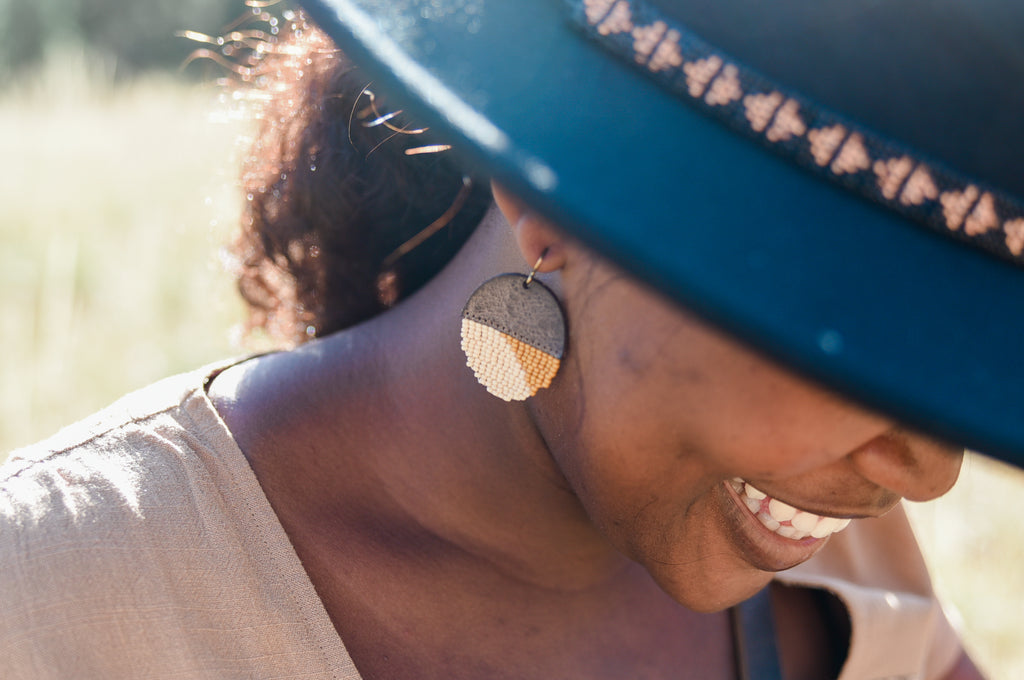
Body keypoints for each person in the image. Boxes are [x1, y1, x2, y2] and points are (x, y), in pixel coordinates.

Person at [2, 0, 1020, 678]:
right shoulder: (53, 599)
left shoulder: (845, 571)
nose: (925, 470)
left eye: (943, 350)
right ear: (552, 202)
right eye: (853, 332)